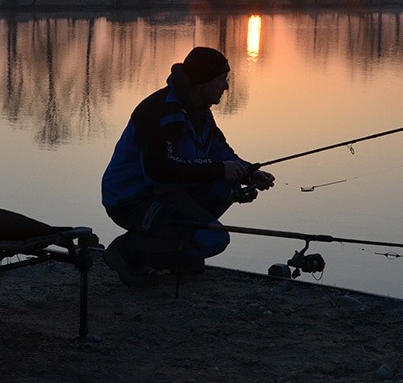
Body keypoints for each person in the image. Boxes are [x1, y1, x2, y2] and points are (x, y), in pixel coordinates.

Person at [100, 45, 275, 286]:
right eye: (221, 80)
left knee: (227, 189)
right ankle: (127, 252)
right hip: (131, 199)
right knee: (215, 239)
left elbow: (220, 151)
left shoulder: (200, 111)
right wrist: (218, 169)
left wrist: (249, 173)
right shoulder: (161, 111)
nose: (226, 86)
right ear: (202, 83)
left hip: (168, 192)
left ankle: (177, 257)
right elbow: (158, 171)